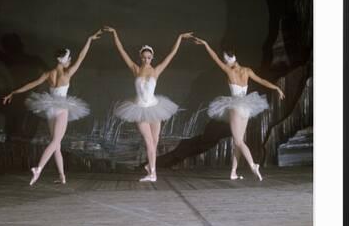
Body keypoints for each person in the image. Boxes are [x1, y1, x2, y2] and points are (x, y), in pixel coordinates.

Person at [2, 30, 102, 185]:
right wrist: (89, 39)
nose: (70, 61)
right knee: (56, 141)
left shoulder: (48, 74)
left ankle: (62, 176)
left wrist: (14, 92)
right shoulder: (67, 73)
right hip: (61, 108)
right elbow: (82, 56)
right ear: (65, 60)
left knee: (57, 144)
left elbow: (32, 84)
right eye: (69, 59)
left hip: (49, 108)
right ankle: (39, 168)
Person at [104, 26, 193, 182]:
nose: (146, 60)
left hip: (154, 108)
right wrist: (115, 34)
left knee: (155, 141)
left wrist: (179, 37)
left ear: (152, 58)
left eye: (149, 57)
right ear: (140, 57)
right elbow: (122, 51)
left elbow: (171, 55)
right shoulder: (135, 69)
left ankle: (150, 167)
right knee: (149, 142)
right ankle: (153, 174)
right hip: (139, 108)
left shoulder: (156, 70)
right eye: (144, 57)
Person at [192, 37, 285, 181]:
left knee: (238, 141)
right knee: (239, 140)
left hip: (235, 107)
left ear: (231, 58)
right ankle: (233, 172)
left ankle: (253, 165)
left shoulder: (229, 71)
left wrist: (205, 44)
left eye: (225, 59)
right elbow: (262, 81)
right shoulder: (247, 70)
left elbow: (214, 58)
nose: (224, 61)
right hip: (247, 107)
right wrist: (277, 88)